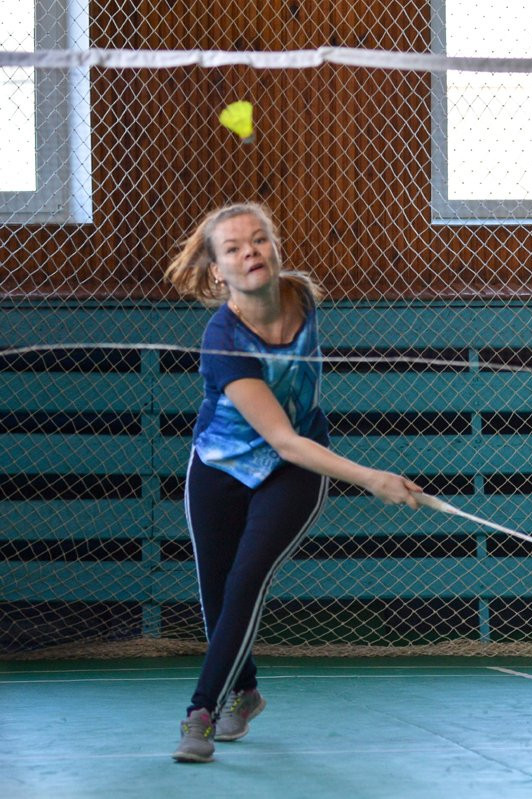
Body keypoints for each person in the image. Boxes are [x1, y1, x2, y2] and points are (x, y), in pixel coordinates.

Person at [163, 202, 424, 763]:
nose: (249, 252)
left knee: (247, 579)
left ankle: (200, 713)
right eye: (233, 248)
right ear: (217, 271)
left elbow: (291, 451)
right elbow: (277, 436)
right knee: (218, 592)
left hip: (296, 468)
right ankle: (246, 691)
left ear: (276, 248)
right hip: (222, 466)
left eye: (259, 241)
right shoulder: (222, 341)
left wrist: (354, 473)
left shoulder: (301, 295)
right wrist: (372, 478)